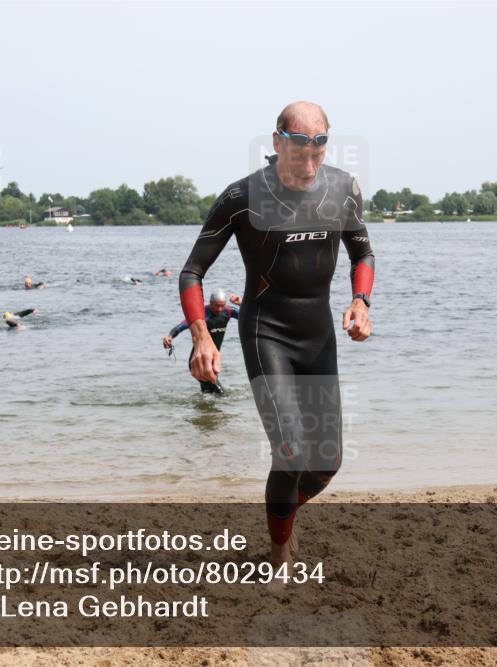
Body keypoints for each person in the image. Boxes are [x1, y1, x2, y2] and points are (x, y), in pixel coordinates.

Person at [178, 101, 374, 572]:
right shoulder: (242, 197)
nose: (309, 162)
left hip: (318, 333)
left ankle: (280, 514)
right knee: (289, 451)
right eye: (299, 147)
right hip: (267, 332)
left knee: (326, 464)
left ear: (327, 142)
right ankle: (280, 554)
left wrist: (361, 301)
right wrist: (202, 338)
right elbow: (191, 272)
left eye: (319, 147)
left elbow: (362, 251)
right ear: (277, 140)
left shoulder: (344, 190)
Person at [164, 289, 241, 394]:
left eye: (222, 305)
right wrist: (170, 336)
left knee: (207, 394)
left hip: (212, 360)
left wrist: (241, 303)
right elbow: (183, 324)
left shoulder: (228, 311)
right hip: (199, 361)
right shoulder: (201, 314)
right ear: (210, 303)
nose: (219, 309)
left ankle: (201, 410)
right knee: (220, 394)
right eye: (216, 305)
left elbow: (249, 316)